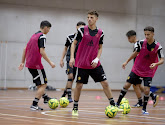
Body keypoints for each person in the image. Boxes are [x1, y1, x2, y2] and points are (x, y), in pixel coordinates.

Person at [69, 10, 115, 116]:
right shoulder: (81, 30)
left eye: (91, 17)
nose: (89, 19)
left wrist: (97, 58)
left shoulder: (100, 33)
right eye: (88, 17)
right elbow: (73, 43)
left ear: (96, 19)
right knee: (79, 85)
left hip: (94, 64)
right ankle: (75, 107)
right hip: (82, 64)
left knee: (105, 83)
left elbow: (100, 47)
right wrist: (72, 57)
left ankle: (113, 104)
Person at [116, 26, 164, 114]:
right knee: (127, 85)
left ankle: (144, 109)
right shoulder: (141, 43)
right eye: (145, 34)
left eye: (148, 34)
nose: (146, 36)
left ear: (153, 34)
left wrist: (156, 64)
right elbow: (135, 53)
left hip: (148, 71)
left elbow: (162, 59)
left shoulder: (158, 46)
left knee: (146, 90)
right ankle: (117, 104)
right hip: (137, 69)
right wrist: (126, 61)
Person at [18, 20, 55, 110]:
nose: (49, 31)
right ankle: (34, 104)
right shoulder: (42, 36)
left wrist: (22, 62)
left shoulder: (33, 36)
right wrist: (50, 62)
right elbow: (42, 51)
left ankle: (45, 98)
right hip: (36, 64)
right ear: (45, 27)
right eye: (49, 29)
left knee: (39, 83)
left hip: (29, 64)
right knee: (44, 84)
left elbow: (24, 49)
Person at [126, 30, 159, 108]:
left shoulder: (138, 44)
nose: (128, 40)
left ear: (133, 37)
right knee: (136, 85)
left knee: (136, 85)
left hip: (140, 70)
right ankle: (146, 99)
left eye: (128, 38)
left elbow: (138, 57)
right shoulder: (138, 44)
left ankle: (147, 98)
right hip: (139, 69)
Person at [60, 21, 86, 103]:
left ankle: (64, 94)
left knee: (72, 78)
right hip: (70, 58)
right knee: (70, 76)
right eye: (80, 27)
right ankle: (69, 96)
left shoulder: (84, 38)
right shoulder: (70, 37)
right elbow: (65, 48)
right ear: (76, 27)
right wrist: (61, 59)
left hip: (79, 60)